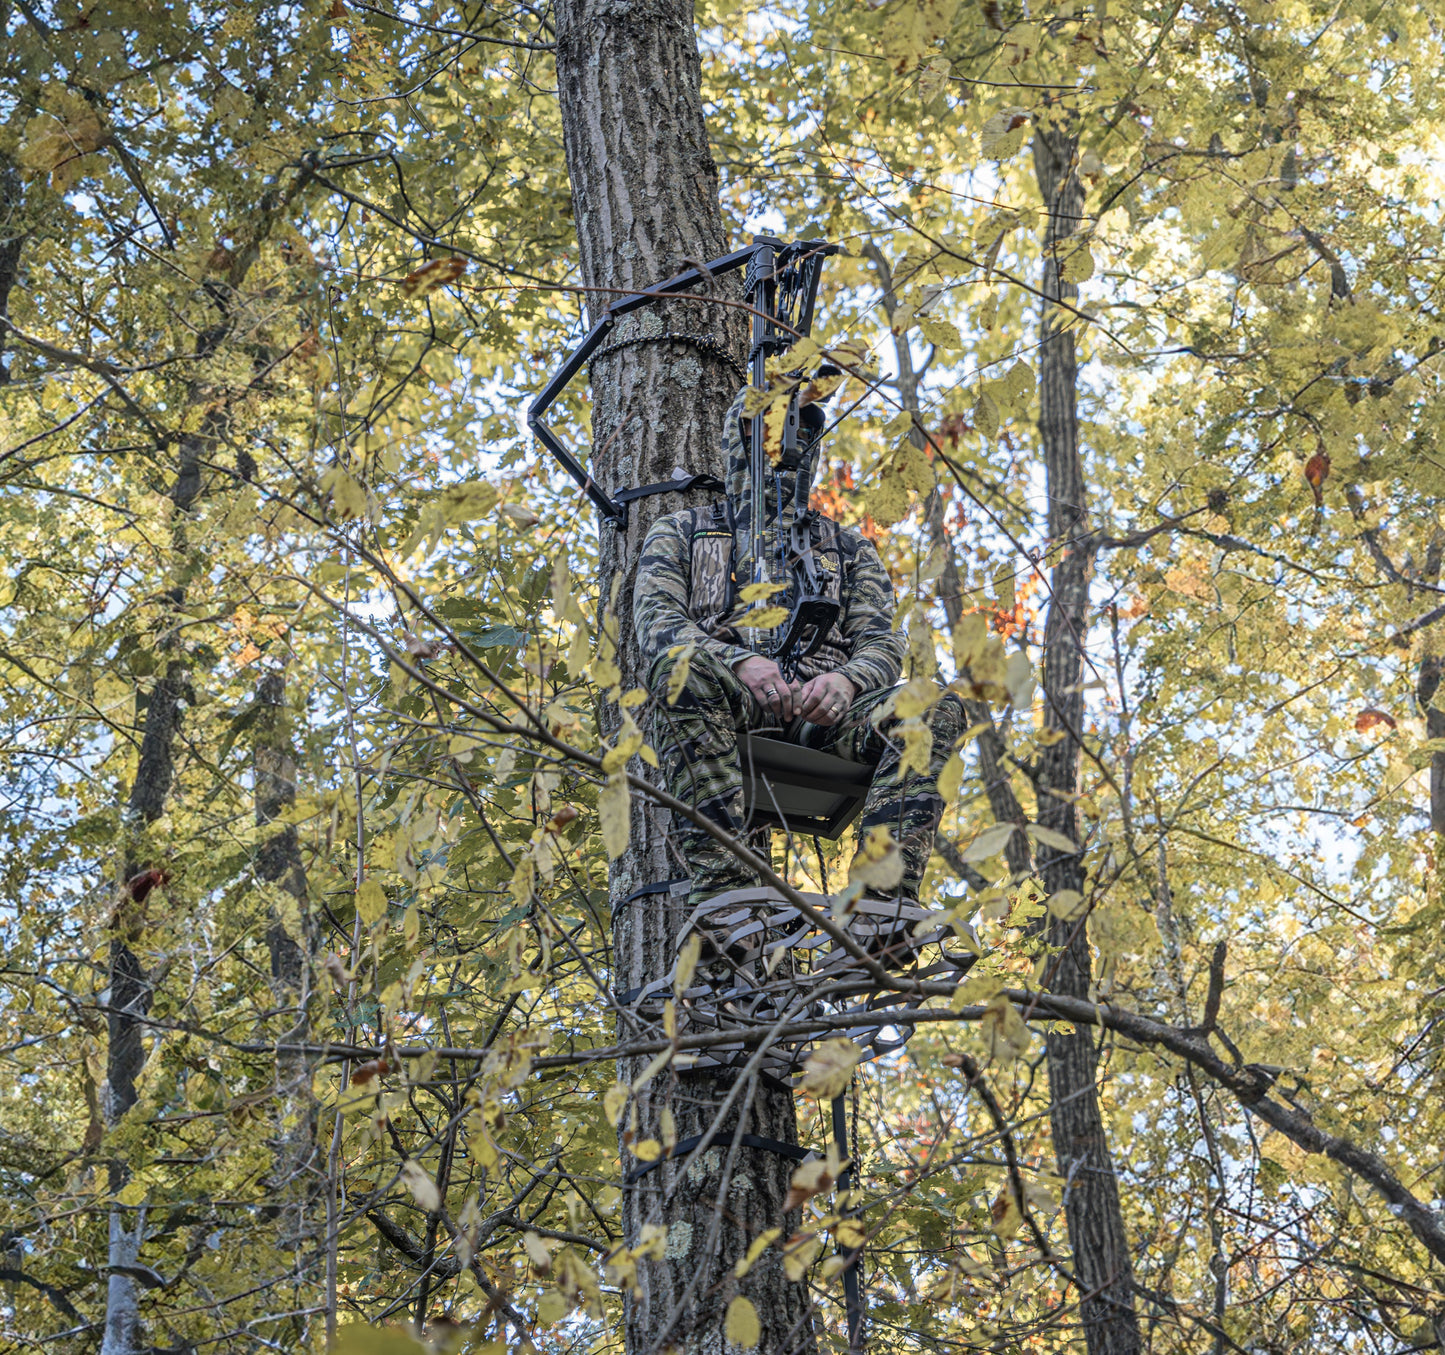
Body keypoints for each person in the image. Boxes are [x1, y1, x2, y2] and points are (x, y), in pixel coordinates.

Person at [633, 384, 964, 933]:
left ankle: (880, 907)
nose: (782, 449)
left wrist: (847, 681)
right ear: (736, 441)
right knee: (678, 670)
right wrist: (738, 662)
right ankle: (729, 901)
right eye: (763, 433)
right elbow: (658, 625)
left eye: (798, 434)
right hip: (725, 706)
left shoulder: (848, 548)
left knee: (931, 706)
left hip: (823, 721)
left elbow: (882, 642)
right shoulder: (683, 532)